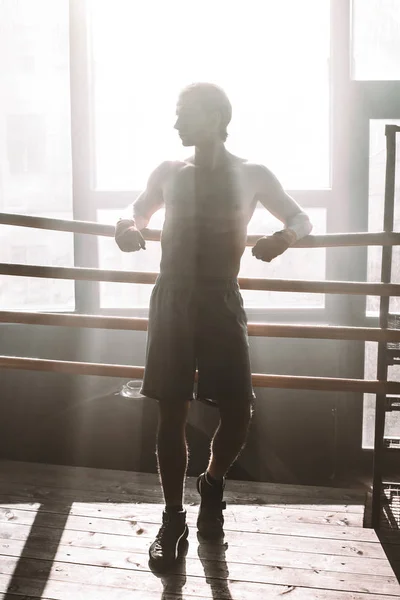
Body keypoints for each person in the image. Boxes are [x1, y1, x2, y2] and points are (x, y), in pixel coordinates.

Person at [115, 82, 312, 571]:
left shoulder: (252, 173)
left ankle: (213, 482)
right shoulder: (168, 171)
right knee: (171, 414)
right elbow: (135, 207)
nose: (176, 123)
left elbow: (301, 216)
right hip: (173, 296)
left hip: (221, 297)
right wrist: (126, 227)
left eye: (184, 114)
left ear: (214, 117)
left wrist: (285, 237)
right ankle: (172, 518)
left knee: (239, 410)